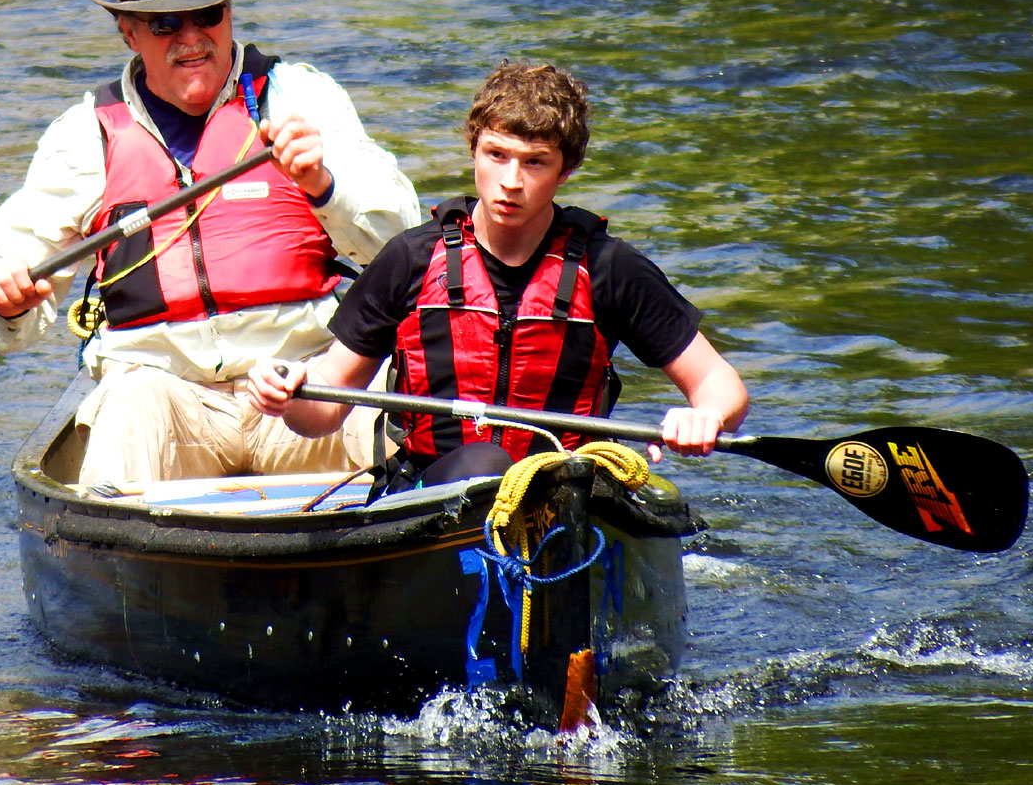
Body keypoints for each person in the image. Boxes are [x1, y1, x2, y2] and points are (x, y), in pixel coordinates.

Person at [0, 0, 421, 486]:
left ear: (229, 13)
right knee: (131, 398)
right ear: (128, 31)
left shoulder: (301, 98)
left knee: (390, 420)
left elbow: (404, 248)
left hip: (302, 385)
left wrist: (324, 185)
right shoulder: (83, 136)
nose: (192, 39)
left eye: (207, 15)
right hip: (165, 398)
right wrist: (9, 304)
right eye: (164, 24)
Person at [246, 60, 749, 490]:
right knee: (488, 466)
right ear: (473, 149)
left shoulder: (608, 269)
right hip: (434, 491)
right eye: (497, 154)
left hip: (565, 488)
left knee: (521, 477)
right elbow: (325, 405)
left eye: (535, 163)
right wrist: (288, 393)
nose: (511, 182)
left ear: (565, 170)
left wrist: (705, 415)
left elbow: (720, 385)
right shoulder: (411, 260)